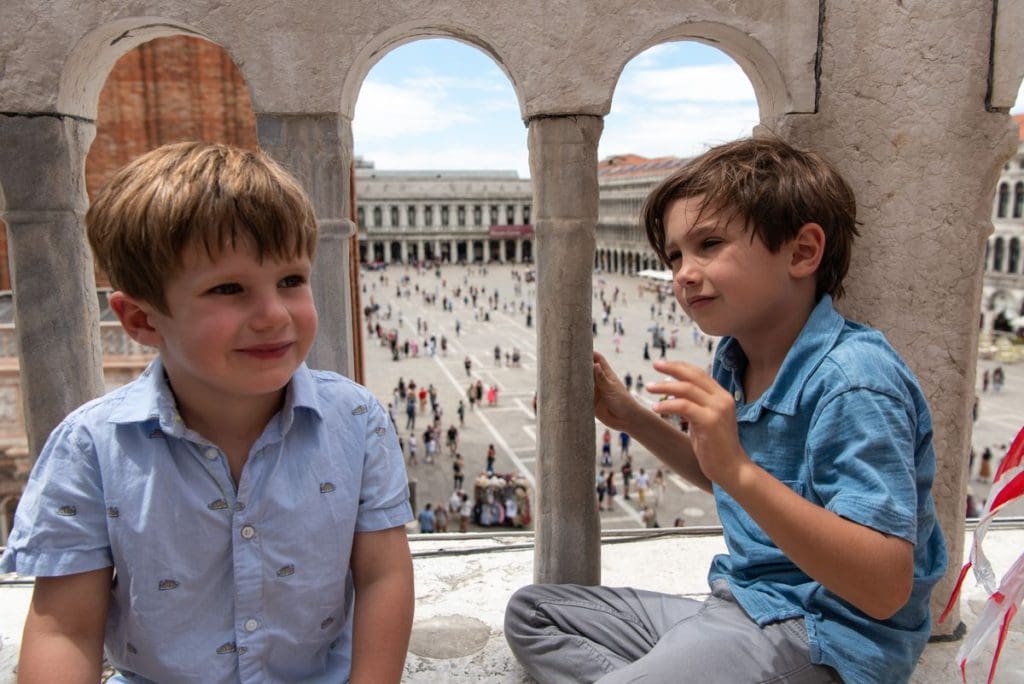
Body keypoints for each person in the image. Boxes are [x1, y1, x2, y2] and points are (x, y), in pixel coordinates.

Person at [505, 137, 946, 684]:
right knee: (534, 613)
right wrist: (631, 416)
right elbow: (719, 474)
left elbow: (883, 588)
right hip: (744, 603)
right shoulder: (736, 359)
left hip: (826, 634)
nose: (683, 274)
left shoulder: (853, 381)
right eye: (674, 256)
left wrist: (737, 467)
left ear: (803, 252)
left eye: (708, 244)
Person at [1, 142, 414, 683]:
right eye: (228, 289)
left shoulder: (357, 420)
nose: (273, 315)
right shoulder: (90, 449)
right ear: (142, 320)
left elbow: (384, 575)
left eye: (291, 280)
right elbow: (64, 628)